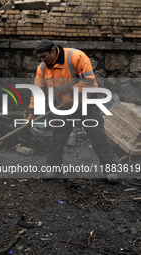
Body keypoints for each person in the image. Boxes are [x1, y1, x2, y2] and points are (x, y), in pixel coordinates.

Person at [27, 39, 117, 183]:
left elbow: (88, 80)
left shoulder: (76, 56)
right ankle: (54, 169)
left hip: (87, 103)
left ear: (53, 51)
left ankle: (110, 171)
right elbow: (38, 91)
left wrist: (71, 96)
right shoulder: (43, 68)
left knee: (98, 136)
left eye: (44, 56)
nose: (42, 61)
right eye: (40, 58)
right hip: (64, 107)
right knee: (57, 138)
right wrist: (31, 112)